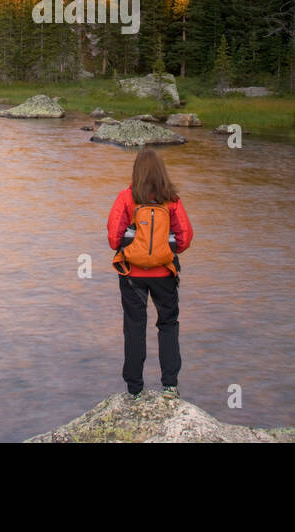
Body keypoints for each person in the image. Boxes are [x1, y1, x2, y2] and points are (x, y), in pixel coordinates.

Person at [106, 146, 193, 400]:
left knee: (134, 327)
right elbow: (185, 239)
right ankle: (170, 386)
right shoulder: (172, 199)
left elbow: (113, 239)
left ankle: (134, 389)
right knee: (168, 324)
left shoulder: (126, 197)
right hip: (164, 273)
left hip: (132, 273)